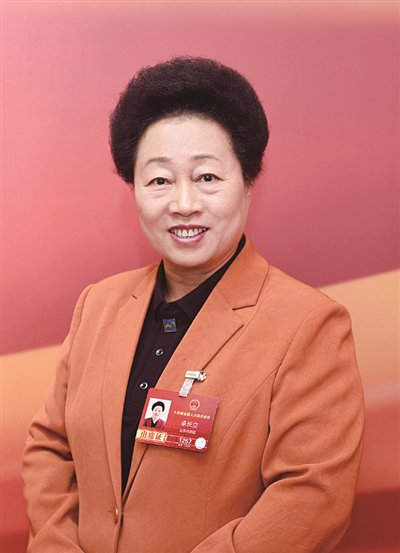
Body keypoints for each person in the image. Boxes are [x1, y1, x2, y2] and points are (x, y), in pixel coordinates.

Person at [22, 57, 364, 553]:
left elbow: (312, 499)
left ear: (248, 181)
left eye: (206, 177)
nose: (183, 204)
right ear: (134, 189)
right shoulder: (98, 305)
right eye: (160, 180)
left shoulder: (309, 325)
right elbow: (50, 447)